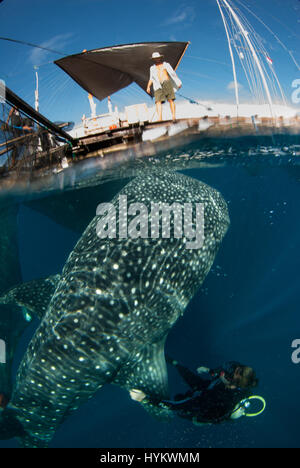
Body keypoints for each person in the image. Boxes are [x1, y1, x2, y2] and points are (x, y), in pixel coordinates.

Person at [130, 357, 258, 425]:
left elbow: (176, 406)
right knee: (198, 384)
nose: (221, 371)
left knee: (179, 400)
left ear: (229, 381)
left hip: (202, 410)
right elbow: (212, 378)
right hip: (212, 391)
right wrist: (176, 364)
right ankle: (176, 364)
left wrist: (145, 399)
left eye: (225, 373)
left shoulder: (214, 398)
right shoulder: (233, 383)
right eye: (234, 367)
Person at [146, 52, 182, 123]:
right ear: (153, 59)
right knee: (157, 101)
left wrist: (178, 82)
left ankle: (173, 116)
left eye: (158, 58)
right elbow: (151, 78)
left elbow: (173, 73)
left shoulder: (166, 64)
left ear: (160, 58)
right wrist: (148, 86)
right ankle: (160, 118)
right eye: (155, 58)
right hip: (157, 85)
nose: (157, 59)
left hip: (166, 82)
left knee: (170, 99)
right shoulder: (152, 68)